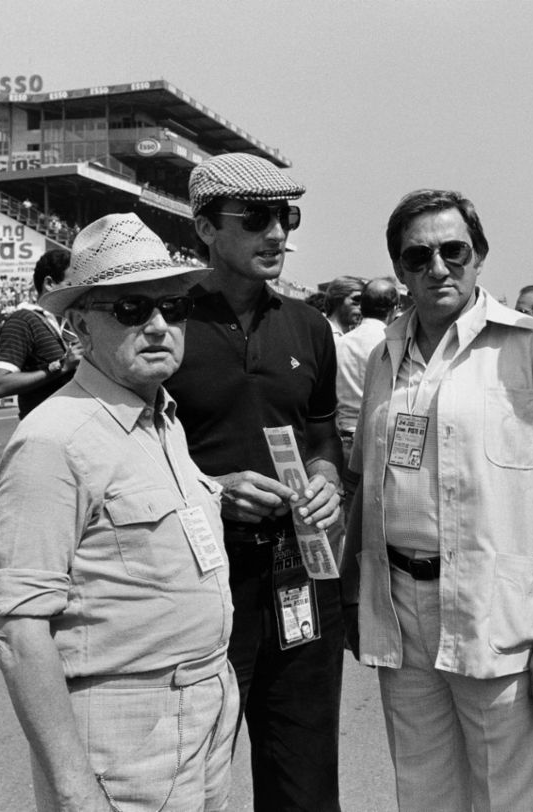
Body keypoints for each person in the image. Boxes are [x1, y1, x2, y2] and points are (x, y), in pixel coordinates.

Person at [342, 189, 533, 812]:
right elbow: (367, 484)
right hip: (401, 609)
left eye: (453, 251)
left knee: (512, 797)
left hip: (494, 613)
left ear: (479, 255)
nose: (438, 268)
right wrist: (354, 596)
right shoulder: (382, 358)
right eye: (418, 256)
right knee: (423, 793)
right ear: (400, 270)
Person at [0, 213, 239, 811]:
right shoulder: (54, 439)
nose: (158, 326)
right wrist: (74, 790)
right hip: (127, 720)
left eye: (173, 309)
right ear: (78, 326)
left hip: (204, 701)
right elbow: (20, 631)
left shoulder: (161, 419)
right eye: (130, 310)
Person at [166, 152, 346, 812]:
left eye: (286, 216)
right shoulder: (163, 321)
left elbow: (322, 435)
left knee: (303, 774)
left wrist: (328, 478)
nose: (278, 234)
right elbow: (126, 459)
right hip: (200, 581)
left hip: (302, 573)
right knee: (191, 776)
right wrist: (214, 489)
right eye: (257, 218)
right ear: (207, 227)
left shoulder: (309, 326)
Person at [0, 248, 82, 418]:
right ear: (49, 283)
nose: (76, 292)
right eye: (70, 285)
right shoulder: (23, 320)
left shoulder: (74, 321)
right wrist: (62, 366)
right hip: (46, 430)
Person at [335, 276, 399, 467]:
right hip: (380, 439)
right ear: (394, 308)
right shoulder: (394, 344)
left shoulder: (340, 343)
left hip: (344, 438)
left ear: (361, 307)